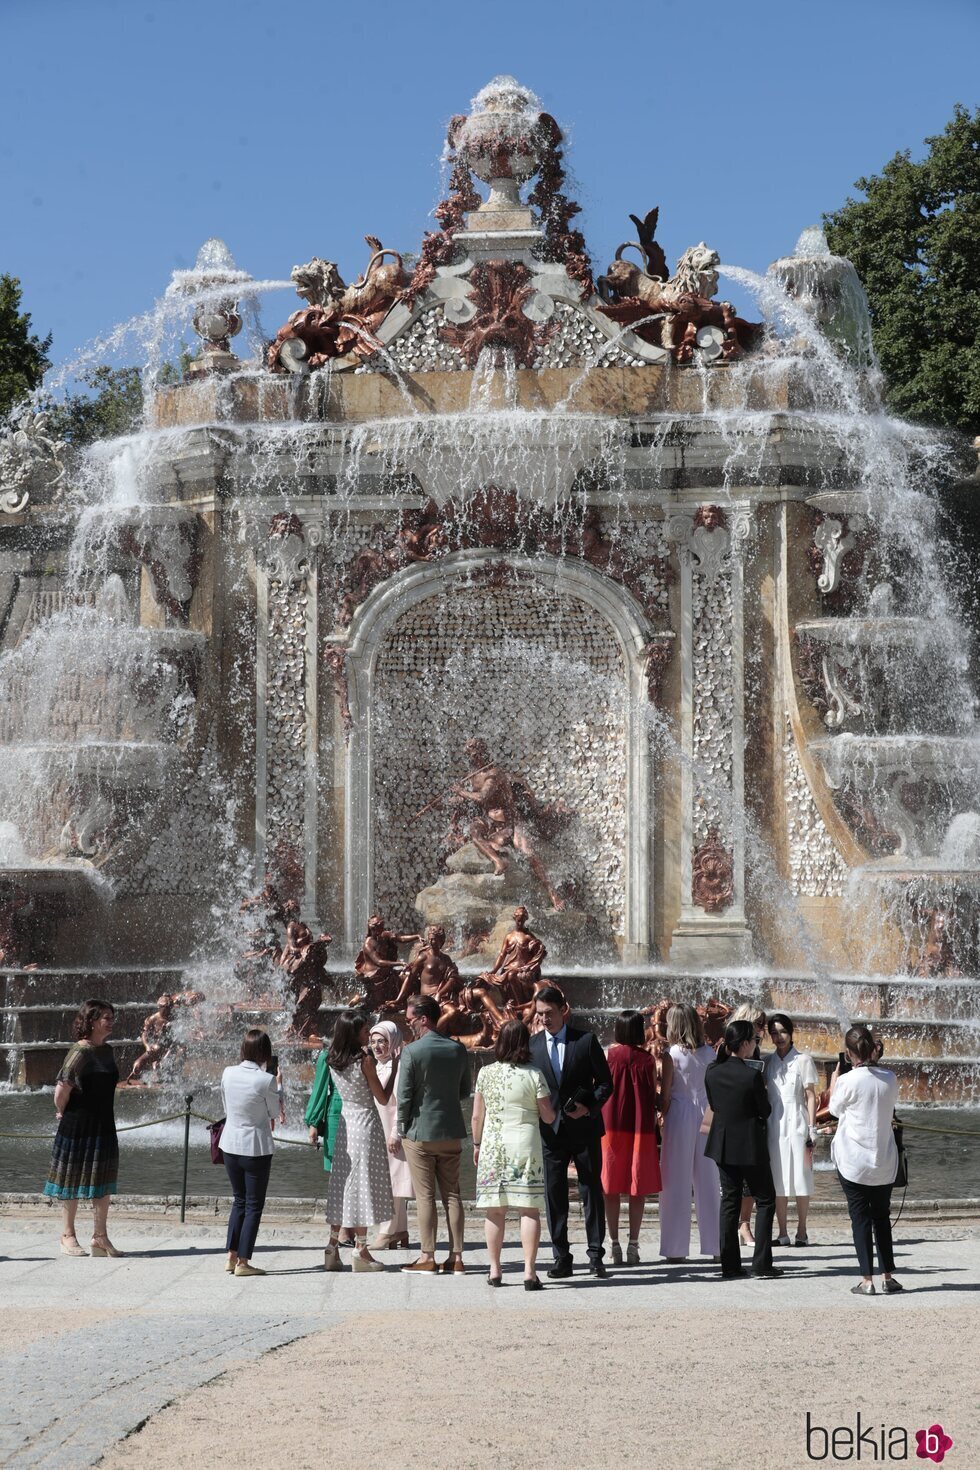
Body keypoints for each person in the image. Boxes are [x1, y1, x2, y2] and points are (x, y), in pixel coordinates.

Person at [529, 984, 614, 1278]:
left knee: (591, 1190)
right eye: (540, 1014)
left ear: (563, 1010)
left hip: (585, 1128)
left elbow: (605, 1084)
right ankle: (561, 1256)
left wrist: (588, 1107)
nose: (544, 1019)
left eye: (549, 1013)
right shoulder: (533, 1046)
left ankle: (595, 1255)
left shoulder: (586, 1041)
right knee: (554, 1195)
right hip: (550, 1131)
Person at [472, 1018, 556, 1288]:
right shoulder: (534, 1074)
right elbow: (547, 1116)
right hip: (524, 1145)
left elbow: (476, 1117)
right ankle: (529, 1272)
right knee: (529, 1211)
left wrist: (476, 1145)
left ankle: (495, 1270)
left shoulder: (485, 1073)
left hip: (493, 1145)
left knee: (494, 1211)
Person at [394, 994, 471, 1276]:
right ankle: (457, 1257)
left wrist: (401, 1127)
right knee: (453, 1194)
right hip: (451, 1130)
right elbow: (464, 1091)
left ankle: (427, 1256)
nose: (409, 1024)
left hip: (420, 1132)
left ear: (424, 1019)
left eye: (411, 1019)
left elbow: (403, 1097)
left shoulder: (412, 1052)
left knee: (425, 1196)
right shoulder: (457, 1049)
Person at [43, 998, 123, 1258]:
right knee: (71, 1179)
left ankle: (100, 1236)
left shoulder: (107, 1050)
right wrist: (64, 1112)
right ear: (91, 1021)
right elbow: (61, 1090)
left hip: (103, 1124)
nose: (111, 1022)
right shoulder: (80, 1051)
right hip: (77, 1125)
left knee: (103, 1179)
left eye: (112, 1017)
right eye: (106, 1018)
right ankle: (67, 1235)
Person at [829, 1024, 903, 1295]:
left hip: (854, 1160)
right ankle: (888, 1276)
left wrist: (836, 1080)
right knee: (881, 1217)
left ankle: (866, 1279)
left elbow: (835, 1110)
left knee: (860, 1218)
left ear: (849, 1054)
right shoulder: (890, 1078)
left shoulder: (848, 1080)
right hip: (883, 1159)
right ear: (873, 1048)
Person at [703, 1019, 780, 1279]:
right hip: (749, 1144)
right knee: (766, 1198)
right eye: (754, 1041)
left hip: (723, 1144)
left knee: (729, 1201)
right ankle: (761, 1262)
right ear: (745, 1043)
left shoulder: (712, 1071)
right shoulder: (751, 1075)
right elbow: (765, 1110)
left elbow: (714, 1105)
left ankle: (730, 1265)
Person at [322, 1010, 396, 1272]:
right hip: (365, 1123)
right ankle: (361, 1249)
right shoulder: (364, 1060)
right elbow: (383, 1097)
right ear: (354, 1033)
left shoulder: (331, 1058)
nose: (369, 1035)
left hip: (345, 1124)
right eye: (365, 1031)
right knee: (363, 1185)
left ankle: (332, 1246)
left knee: (342, 1184)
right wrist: (395, 1068)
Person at [658, 1003, 720, 1263]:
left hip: (679, 1113)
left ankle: (675, 1248)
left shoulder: (670, 1054)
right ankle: (717, 1246)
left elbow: (665, 1096)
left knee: (675, 1181)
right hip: (707, 1114)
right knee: (709, 1181)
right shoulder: (711, 1054)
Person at [600, 1009, 661, 1265]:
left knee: (610, 1187)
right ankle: (633, 1244)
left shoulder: (608, 1055)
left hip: (610, 1128)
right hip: (640, 1129)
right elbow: (653, 1095)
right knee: (637, 1188)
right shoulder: (648, 1060)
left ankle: (613, 1243)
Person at [220, 1027, 280, 1277]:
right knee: (254, 1205)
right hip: (255, 1146)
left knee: (239, 1201)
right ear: (265, 1051)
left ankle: (231, 1255)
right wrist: (279, 1085)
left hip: (230, 1144)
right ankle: (244, 1261)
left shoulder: (228, 1072)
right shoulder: (266, 1079)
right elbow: (274, 1113)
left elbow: (226, 1106)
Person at [763, 1013, 818, 1247]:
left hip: (797, 1121)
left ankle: (802, 1230)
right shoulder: (768, 1062)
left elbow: (810, 1095)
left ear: (791, 1032)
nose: (779, 1037)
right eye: (774, 1033)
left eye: (782, 1032)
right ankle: (782, 1231)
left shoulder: (803, 1060)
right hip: (774, 1123)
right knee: (778, 1178)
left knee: (801, 1176)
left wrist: (812, 1127)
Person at [368, 1020, 414, 1248]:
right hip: (377, 1130)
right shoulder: (374, 1066)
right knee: (391, 1181)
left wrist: (396, 1133)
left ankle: (386, 1232)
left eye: (382, 1041)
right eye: (374, 1041)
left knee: (393, 1183)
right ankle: (401, 1231)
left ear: (393, 1042)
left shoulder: (399, 1068)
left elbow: (401, 1103)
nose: (377, 1046)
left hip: (391, 1131)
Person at [728, 1002, 767, 1246]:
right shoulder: (730, 1047)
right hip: (735, 1117)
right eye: (759, 1024)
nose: (763, 1030)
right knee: (736, 1181)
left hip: (752, 1118)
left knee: (749, 1180)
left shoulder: (756, 1049)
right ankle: (741, 1225)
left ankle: (744, 1224)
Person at [304, 1042, 344, 1264]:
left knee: (345, 1182)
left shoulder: (362, 1053)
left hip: (345, 1114)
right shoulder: (331, 1055)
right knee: (340, 1182)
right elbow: (320, 1089)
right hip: (339, 1115)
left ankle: (338, 1240)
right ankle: (345, 1239)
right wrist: (314, 1122)